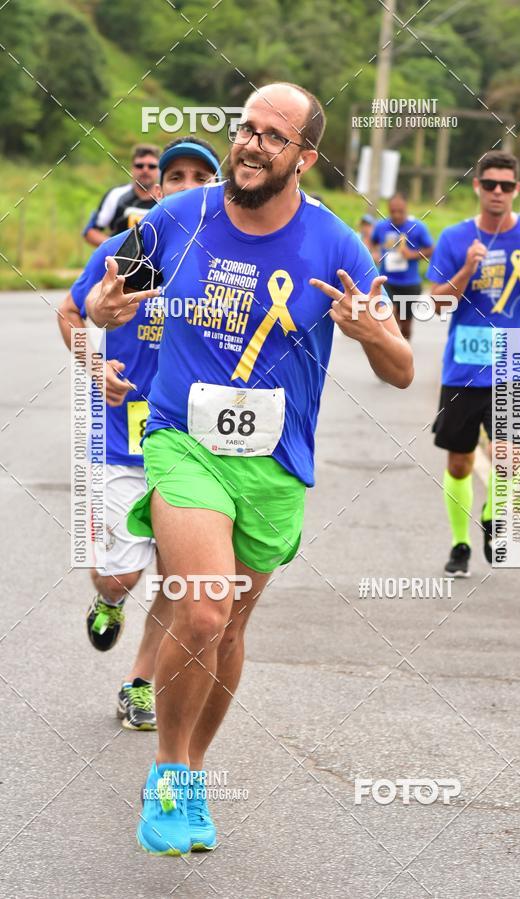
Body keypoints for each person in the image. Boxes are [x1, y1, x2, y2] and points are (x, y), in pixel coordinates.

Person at [85, 82, 414, 856]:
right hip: (181, 441)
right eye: (247, 128)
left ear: (304, 156)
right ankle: (168, 773)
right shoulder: (175, 218)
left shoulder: (336, 246)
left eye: (274, 135)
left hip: (273, 465)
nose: (252, 143)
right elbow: (101, 296)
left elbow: (400, 369)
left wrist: (371, 333)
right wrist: (104, 312)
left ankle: (195, 771)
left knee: (230, 623)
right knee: (200, 607)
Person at [57, 137, 222, 730]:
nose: (183, 185)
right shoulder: (132, 250)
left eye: (198, 175)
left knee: (183, 580)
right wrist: (96, 366)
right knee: (124, 575)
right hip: (125, 441)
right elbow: (70, 313)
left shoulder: (227, 261)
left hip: (194, 444)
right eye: (173, 175)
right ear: (154, 187)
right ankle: (106, 599)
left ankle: (140, 685)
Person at [427, 150, 520, 578]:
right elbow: (437, 301)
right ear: (478, 187)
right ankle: (459, 544)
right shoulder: (454, 237)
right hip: (465, 364)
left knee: (507, 458)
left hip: (512, 361)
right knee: (459, 462)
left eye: (506, 186)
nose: (498, 193)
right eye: (490, 185)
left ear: (516, 190)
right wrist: (467, 268)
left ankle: (491, 516)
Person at [371, 193, 434, 341]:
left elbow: (431, 249)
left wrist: (411, 254)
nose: (397, 215)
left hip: (409, 283)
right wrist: (374, 253)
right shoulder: (381, 226)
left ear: (406, 208)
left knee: (405, 326)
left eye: (400, 211)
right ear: (388, 209)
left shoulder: (418, 227)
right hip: (387, 281)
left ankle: (404, 349)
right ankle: (391, 350)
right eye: (393, 211)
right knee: (390, 317)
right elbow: (372, 242)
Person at [83, 144, 161, 247]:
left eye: (151, 166)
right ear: (131, 168)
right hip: (118, 261)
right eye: (139, 166)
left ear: (159, 170)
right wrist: (117, 247)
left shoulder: (167, 199)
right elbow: (90, 232)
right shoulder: (115, 195)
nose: (145, 170)